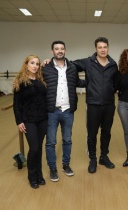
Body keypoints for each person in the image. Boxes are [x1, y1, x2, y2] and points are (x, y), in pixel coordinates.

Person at [73, 37, 118, 174]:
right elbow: (69, 66)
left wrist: (111, 90)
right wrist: (82, 83)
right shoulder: (88, 62)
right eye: (100, 47)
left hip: (109, 104)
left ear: (108, 48)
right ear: (96, 48)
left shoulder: (113, 64)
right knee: (92, 134)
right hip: (93, 104)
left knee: (106, 132)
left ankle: (103, 157)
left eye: (105, 47)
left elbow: (115, 83)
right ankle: (92, 159)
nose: (103, 49)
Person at [43, 41, 83, 181]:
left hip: (68, 111)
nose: (59, 51)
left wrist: (96, 81)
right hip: (51, 111)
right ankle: (52, 168)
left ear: (65, 51)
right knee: (51, 142)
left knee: (67, 140)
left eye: (62, 49)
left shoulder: (72, 67)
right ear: (51, 51)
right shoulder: (45, 68)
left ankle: (66, 165)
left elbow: (78, 82)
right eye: (56, 49)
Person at [13, 55, 47, 189]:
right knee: (34, 148)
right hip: (28, 120)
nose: (35, 66)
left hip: (43, 119)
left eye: (37, 64)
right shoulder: (20, 81)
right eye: (32, 63)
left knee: (39, 148)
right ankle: (31, 176)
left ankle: (39, 174)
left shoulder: (40, 80)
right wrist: (19, 121)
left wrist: (47, 62)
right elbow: (16, 104)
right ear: (26, 64)